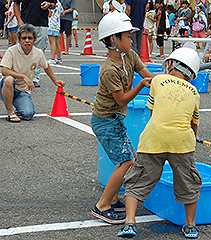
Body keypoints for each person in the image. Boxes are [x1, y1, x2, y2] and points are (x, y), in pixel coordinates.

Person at [118, 44, 202, 239]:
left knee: (138, 178)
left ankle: (129, 222)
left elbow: (154, 113)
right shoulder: (195, 93)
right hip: (182, 142)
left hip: (154, 138)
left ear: (171, 63)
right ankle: (190, 225)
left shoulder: (158, 80)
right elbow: (193, 126)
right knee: (188, 181)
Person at [90, 11, 154, 224]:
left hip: (114, 119)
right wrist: (139, 86)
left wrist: (171, 77)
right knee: (126, 161)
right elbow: (121, 100)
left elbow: (148, 75)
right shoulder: (109, 70)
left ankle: (112, 198)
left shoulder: (130, 57)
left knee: (127, 159)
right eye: (127, 36)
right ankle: (102, 205)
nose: (131, 40)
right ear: (113, 40)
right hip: (105, 120)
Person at [0, 23, 65, 122]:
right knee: (9, 79)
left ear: (34, 40)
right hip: (6, 86)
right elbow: (4, 71)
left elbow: (46, 67)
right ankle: (10, 112)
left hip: (22, 90)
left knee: (28, 114)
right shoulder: (11, 51)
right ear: (19, 39)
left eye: (30, 38)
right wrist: (23, 76)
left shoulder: (38, 53)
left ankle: (19, 106)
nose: (27, 41)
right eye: (24, 38)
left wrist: (55, 81)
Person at [14, 0, 57, 88]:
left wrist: (49, 5)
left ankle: (34, 78)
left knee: (39, 52)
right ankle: (19, 76)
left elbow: (54, 5)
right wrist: (19, 20)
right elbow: (16, 4)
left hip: (42, 24)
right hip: (25, 22)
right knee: (21, 51)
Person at [47, 0, 63, 64]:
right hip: (57, 24)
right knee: (57, 42)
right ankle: (59, 58)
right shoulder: (58, 3)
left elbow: (49, 14)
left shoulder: (50, 3)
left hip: (51, 24)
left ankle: (52, 58)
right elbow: (62, 12)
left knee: (52, 42)